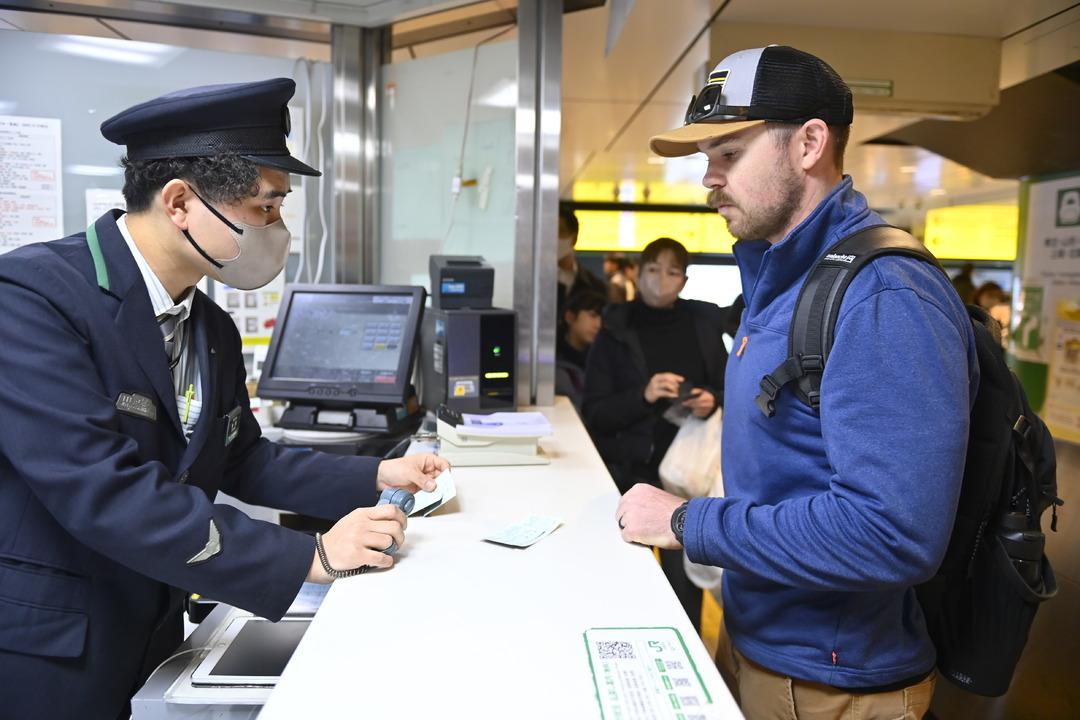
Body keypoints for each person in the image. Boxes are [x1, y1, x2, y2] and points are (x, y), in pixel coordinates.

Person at [0, 79, 450, 720]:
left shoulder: (208, 327)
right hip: (50, 644)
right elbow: (101, 490)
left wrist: (378, 473)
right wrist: (310, 556)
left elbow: (242, 460)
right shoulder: (33, 299)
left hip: (150, 625)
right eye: (264, 207)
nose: (277, 228)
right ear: (180, 202)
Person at [616, 46, 978, 719]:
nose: (709, 179)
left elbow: (889, 532)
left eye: (729, 153)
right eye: (706, 159)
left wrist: (689, 521)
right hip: (764, 645)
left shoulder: (884, 295)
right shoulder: (781, 280)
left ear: (810, 143)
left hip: (832, 685)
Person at [583, 237, 730, 631]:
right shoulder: (615, 327)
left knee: (686, 589)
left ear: (684, 280)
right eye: (651, 270)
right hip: (630, 475)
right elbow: (594, 414)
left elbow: (726, 385)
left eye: (671, 272)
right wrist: (644, 395)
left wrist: (710, 399)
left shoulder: (702, 322)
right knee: (626, 587)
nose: (660, 281)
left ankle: (689, 662)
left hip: (690, 477)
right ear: (638, 272)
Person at [555, 289, 606, 412]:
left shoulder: (603, 358)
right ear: (570, 317)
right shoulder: (552, 360)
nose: (598, 325)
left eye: (602, 318)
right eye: (592, 316)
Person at [557, 205, 607, 317]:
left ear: (573, 239)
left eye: (560, 232)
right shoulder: (535, 281)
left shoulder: (595, 286)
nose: (553, 238)